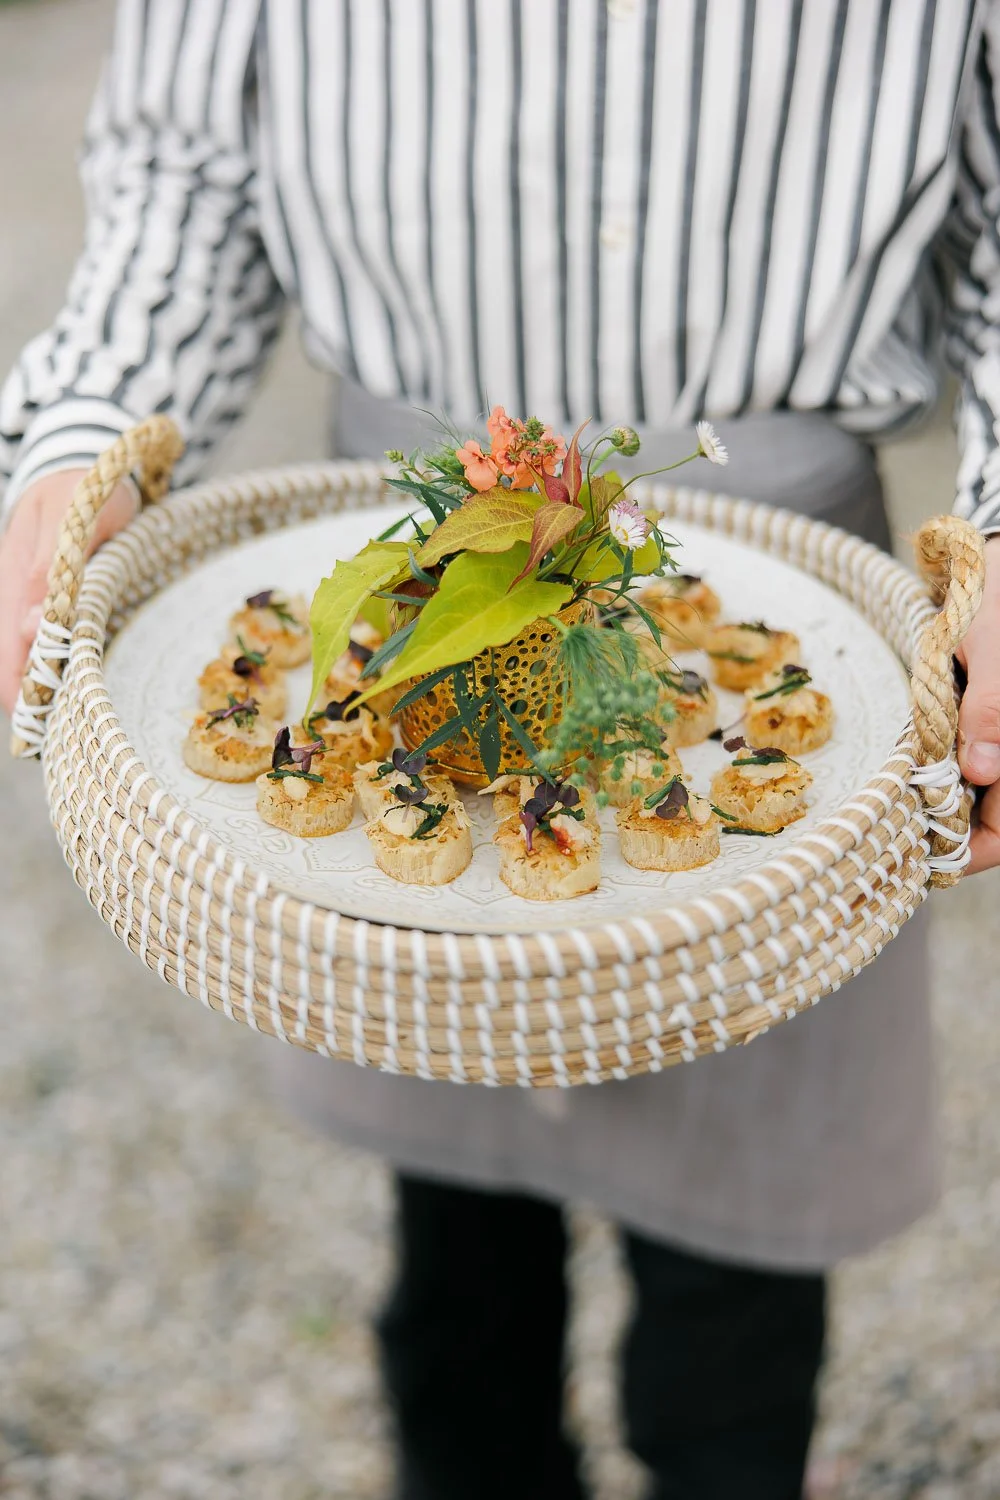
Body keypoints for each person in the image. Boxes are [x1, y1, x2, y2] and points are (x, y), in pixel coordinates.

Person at [3, 4, 1000, 1496]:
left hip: (782, 599)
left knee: (735, 1299)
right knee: (455, 1246)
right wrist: (82, 453)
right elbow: (187, 171)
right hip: (406, 580)